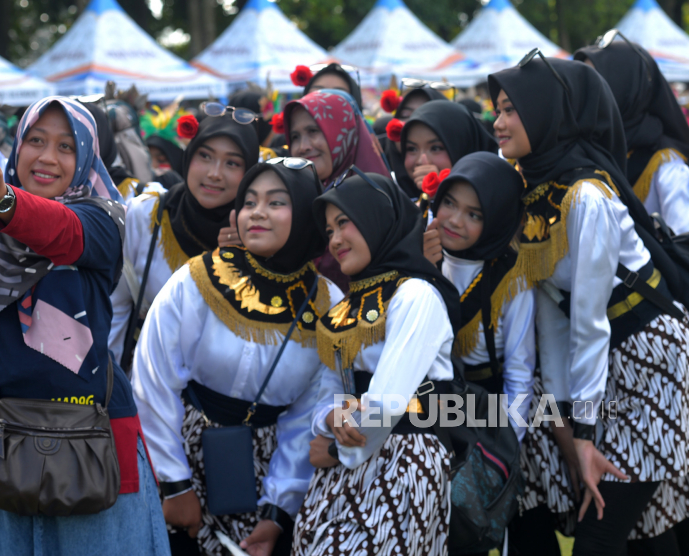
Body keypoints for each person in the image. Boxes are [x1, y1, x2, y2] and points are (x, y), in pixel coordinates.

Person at [0, 97, 169, 555]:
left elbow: (60, 232)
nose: (47, 157)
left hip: (94, 442)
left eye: (66, 147)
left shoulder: (103, 220)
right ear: (16, 147)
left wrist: (0, 198)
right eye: (36, 141)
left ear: (86, 159)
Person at [490, 56, 689, 556]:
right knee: (640, 526)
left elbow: (588, 322)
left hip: (654, 362)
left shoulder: (584, 196)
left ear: (544, 113)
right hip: (606, 369)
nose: (497, 122)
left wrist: (581, 426)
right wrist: (569, 423)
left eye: (511, 109)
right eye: (496, 110)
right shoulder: (536, 195)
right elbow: (553, 320)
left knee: (602, 526)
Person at [133, 158, 343, 556]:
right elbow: (151, 382)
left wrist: (279, 509)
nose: (257, 213)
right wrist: (174, 483)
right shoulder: (196, 280)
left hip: (265, 482)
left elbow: (308, 417)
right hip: (177, 460)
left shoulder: (328, 304)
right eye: (249, 202)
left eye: (277, 202)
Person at [293, 171, 460, 556]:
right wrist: (330, 419)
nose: (334, 240)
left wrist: (336, 451)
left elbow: (385, 405)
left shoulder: (415, 295)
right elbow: (330, 393)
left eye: (344, 223)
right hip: (353, 454)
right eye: (329, 230)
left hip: (403, 460)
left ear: (376, 218)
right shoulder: (346, 309)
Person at [108, 112, 259, 366]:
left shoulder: (259, 233)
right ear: (188, 156)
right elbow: (115, 311)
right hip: (143, 376)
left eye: (232, 163)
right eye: (205, 156)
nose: (214, 173)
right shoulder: (147, 216)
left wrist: (246, 263)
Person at [430, 152, 534, 441]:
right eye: (449, 203)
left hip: (485, 418)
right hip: (425, 414)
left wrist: (506, 446)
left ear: (497, 221)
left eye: (474, 214)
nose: (455, 220)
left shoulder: (512, 278)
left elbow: (519, 370)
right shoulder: (423, 250)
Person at [574, 39, 689, 234]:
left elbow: (686, 247)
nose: (586, 96)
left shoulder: (667, 167)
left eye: (596, 83)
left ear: (625, 88)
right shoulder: (588, 150)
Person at [284, 90, 388, 292]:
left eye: (314, 131)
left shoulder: (376, 200)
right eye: (295, 136)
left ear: (343, 131)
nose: (302, 147)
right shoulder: (295, 199)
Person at [399, 101, 498, 198]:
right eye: (412, 149)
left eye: (435, 148)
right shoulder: (401, 201)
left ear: (463, 148)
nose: (421, 161)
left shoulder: (491, 201)